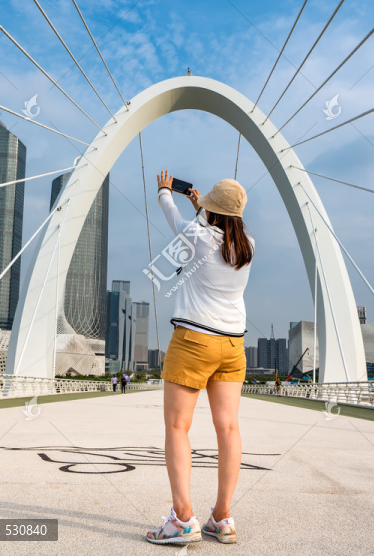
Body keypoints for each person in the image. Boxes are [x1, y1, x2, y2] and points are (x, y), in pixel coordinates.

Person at [146, 171, 254, 545]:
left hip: (194, 340)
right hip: (233, 347)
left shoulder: (197, 235)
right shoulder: (248, 247)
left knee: (178, 427)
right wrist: (204, 210)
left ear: (212, 210)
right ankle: (222, 518)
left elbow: (170, 213)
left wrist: (165, 188)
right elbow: (215, 237)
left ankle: (182, 519)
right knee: (228, 428)